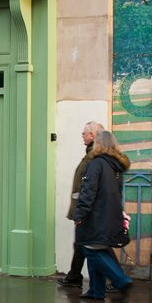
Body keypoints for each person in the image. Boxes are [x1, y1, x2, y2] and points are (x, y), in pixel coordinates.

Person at [73, 130, 133, 301]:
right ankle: (96, 291)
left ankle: (121, 280)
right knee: (97, 248)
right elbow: (118, 193)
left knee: (91, 250)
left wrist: (79, 213)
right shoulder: (116, 166)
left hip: (95, 214)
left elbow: (88, 191)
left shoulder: (96, 163)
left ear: (98, 144)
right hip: (110, 214)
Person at [57, 121, 104, 288]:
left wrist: (81, 211)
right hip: (84, 208)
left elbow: (88, 187)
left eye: (84, 133)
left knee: (93, 245)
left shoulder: (94, 156)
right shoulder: (91, 154)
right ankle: (74, 276)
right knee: (82, 243)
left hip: (86, 209)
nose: (82, 135)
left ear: (92, 135)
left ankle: (117, 279)